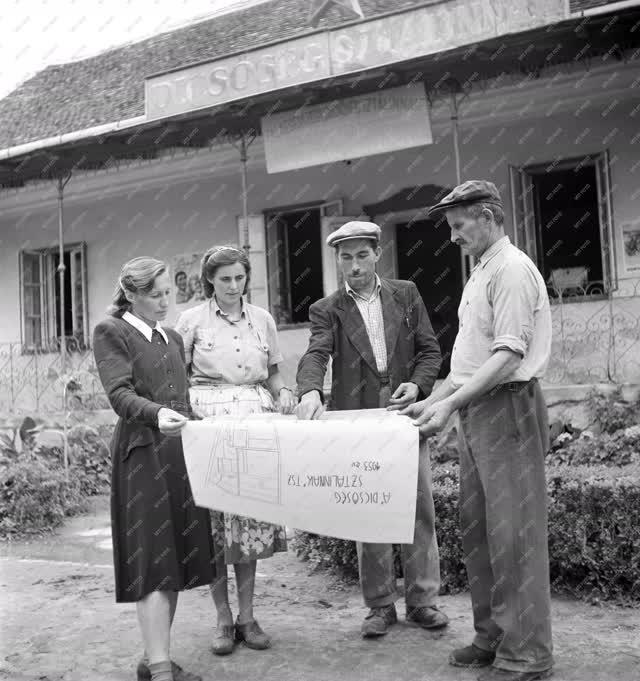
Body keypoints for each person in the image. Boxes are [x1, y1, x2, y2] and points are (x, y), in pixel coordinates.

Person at [404, 181, 554, 681]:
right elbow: (469, 362)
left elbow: (508, 355)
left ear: (488, 215)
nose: (452, 238)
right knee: (481, 534)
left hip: (507, 408)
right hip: (478, 411)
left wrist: (451, 405)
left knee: (515, 537)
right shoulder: (481, 273)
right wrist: (433, 400)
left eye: (459, 225)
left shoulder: (511, 271)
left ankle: (527, 652)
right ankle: (491, 637)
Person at [295, 221, 449, 638]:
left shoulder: (406, 293)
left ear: (378, 254)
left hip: (403, 414)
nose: (355, 265)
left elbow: (430, 351)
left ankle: (423, 601)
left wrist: (418, 384)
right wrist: (310, 391)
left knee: (418, 507)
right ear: (338, 260)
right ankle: (380, 605)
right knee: (368, 508)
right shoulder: (327, 309)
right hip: (357, 419)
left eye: (362, 255)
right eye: (346, 257)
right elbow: (316, 352)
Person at [93, 257, 215, 681]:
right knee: (153, 562)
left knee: (175, 559)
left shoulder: (173, 338)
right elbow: (120, 394)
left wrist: (206, 426)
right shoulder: (112, 332)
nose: (165, 301)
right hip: (142, 455)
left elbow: (182, 397)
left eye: (169, 293)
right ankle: (162, 670)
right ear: (131, 294)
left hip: (180, 457)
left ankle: (153, 658)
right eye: (155, 294)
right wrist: (159, 413)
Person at [175, 245, 295, 656]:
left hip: (256, 423)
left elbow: (275, 372)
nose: (233, 286)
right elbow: (178, 377)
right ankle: (222, 618)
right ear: (210, 280)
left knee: (247, 521)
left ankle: (247, 614)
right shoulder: (191, 320)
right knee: (213, 524)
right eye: (224, 279)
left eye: (239, 278)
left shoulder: (261, 319)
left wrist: (285, 394)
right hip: (208, 425)